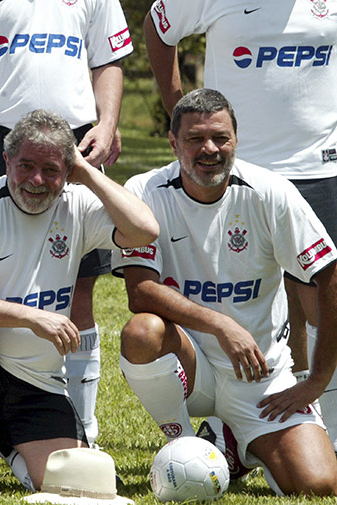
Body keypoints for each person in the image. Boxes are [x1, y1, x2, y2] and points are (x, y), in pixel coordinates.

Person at [112, 89, 337, 496]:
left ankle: (232, 444)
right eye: (196, 139)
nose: (210, 149)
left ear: (236, 138)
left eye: (221, 137)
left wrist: (316, 380)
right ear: (173, 143)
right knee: (141, 332)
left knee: (317, 485)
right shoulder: (144, 190)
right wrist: (219, 325)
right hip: (189, 363)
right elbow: (140, 290)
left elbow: (328, 275)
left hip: (259, 376)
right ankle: (185, 444)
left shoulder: (271, 192)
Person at [0, 0, 133, 447]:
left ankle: (83, 423)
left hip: (75, 141)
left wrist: (106, 123)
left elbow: (107, 60)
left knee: (79, 292)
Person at [143, 0, 337, 450]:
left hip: (320, 166)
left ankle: (318, 418)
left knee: (320, 300)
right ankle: (238, 415)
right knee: (254, 292)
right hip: (238, 167)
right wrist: (181, 110)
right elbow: (158, 27)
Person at [0, 109, 159, 495]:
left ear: (68, 169)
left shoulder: (77, 205)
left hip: (35, 381)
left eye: (52, 169)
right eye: (26, 166)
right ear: (6, 161)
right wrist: (31, 318)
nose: (37, 180)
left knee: (78, 485)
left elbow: (145, 230)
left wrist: (88, 173)